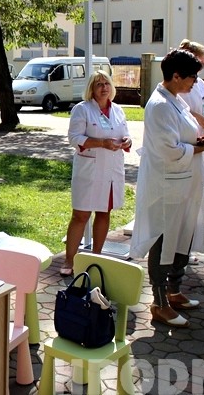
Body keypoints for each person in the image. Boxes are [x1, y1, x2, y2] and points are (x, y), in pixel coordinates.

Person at [130, 49, 204, 328]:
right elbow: (169, 149)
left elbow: (183, 135)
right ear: (176, 76)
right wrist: (199, 146)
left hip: (185, 183)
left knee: (182, 237)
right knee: (163, 240)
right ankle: (159, 303)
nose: (194, 83)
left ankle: (173, 291)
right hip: (167, 187)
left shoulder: (175, 100)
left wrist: (198, 139)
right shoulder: (159, 106)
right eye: (192, 77)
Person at [61, 70, 131, 276]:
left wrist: (127, 141)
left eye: (107, 83)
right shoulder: (82, 110)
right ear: (91, 89)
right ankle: (69, 260)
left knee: (104, 212)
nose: (104, 88)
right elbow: (74, 138)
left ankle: (95, 256)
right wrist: (101, 143)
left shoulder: (118, 110)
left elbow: (124, 134)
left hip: (110, 169)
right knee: (80, 215)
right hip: (89, 170)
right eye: (99, 84)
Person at [177, 39, 204, 265]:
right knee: (183, 198)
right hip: (185, 145)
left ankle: (189, 247)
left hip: (200, 144)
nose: (200, 69)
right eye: (198, 63)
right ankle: (178, 249)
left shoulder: (199, 84)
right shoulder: (180, 82)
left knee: (196, 200)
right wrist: (200, 117)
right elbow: (181, 109)